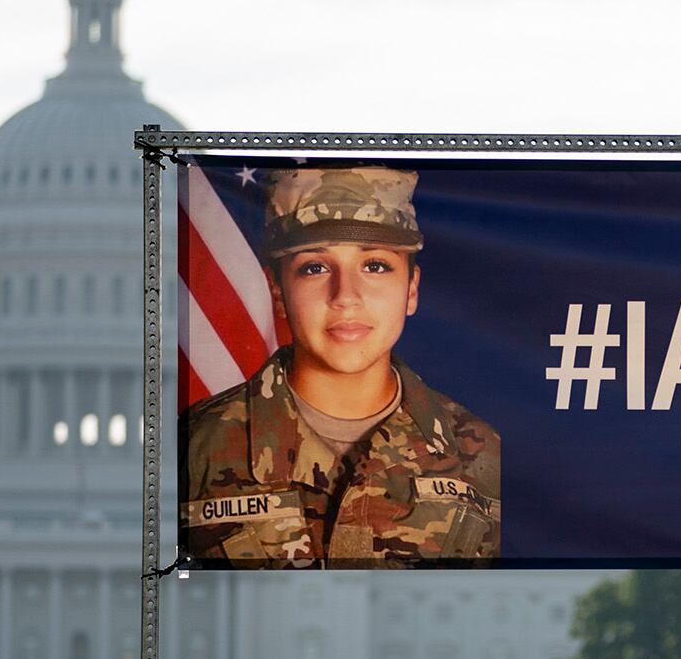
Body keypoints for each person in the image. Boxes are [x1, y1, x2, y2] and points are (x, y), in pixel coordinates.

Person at [181, 167, 500, 567]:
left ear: (411, 289)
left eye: (376, 266)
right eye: (315, 267)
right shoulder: (190, 451)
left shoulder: (483, 453)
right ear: (278, 292)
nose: (346, 296)